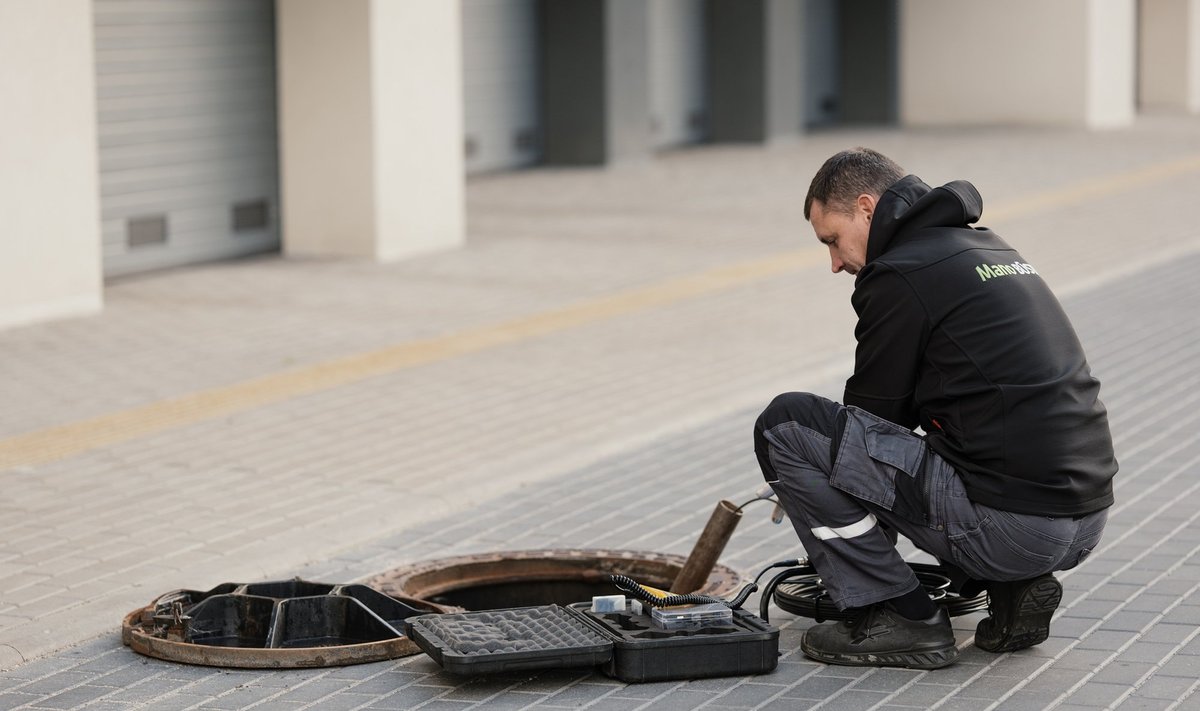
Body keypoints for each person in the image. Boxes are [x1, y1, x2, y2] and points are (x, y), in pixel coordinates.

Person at [754, 148, 1116, 669]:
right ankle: (1014, 588)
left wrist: (819, 506)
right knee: (956, 446)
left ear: (865, 207)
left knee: (786, 425)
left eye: (832, 240)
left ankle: (897, 615)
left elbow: (869, 428)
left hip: (1015, 529)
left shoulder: (900, 272)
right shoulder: (985, 246)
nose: (834, 263)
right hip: (1086, 519)